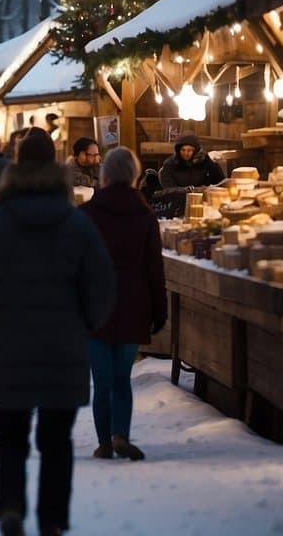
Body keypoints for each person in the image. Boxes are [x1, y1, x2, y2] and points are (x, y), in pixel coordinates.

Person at [0, 127, 116, 536]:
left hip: (6, 345)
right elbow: (101, 284)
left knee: (10, 435)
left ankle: (11, 508)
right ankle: (52, 520)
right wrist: (86, 324)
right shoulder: (76, 224)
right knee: (56, 440)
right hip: (62, 346)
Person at [81, 146, 168, 462]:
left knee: (101, 381)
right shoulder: (145, 217)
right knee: (121, 379)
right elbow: (154, 269)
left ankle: (104, 442)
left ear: (104, 174)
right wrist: (160, 310)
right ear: (133, 174)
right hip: (134, 303)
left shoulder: (87, 215)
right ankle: (121, 434)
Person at [158, 134, 225, 189]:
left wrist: (208, 161)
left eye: (189, 150)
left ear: (195, 151)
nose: (186, 153)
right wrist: (186, 190)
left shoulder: (203, 161)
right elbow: (169, 189)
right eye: (183, 150)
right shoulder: (170, 164)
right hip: (178, 201)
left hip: (202, 199)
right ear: (178, 150)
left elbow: (220, 180)